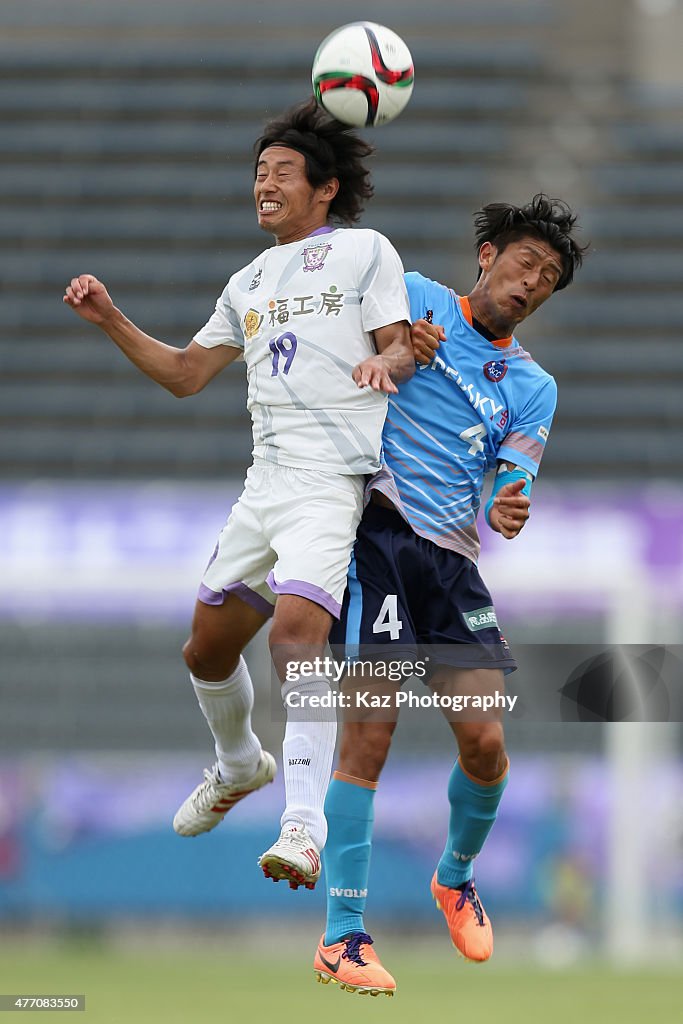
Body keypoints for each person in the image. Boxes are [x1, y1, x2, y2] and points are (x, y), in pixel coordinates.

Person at [63, 98, 413, 891]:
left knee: (295, 639)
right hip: (266, 485)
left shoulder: (363, 251)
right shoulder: (248, 281)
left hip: (332, 482)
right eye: (258, 173)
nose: (264, 184)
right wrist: (110, 317)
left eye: (282, 172)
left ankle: (302, 827)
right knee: (205, 649)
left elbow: (396, 343)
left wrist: (387, 364)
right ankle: (236, 763)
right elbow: (187, 375)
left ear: (323, 189)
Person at [313, 195, 588, 995]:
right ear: (485, 255)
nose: (532, 282)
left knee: (487, 743)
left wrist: (511, 502)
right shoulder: (413, 296)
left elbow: (512, 482)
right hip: (380, 537)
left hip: (453, 565)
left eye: (547, 279)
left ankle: (454, 876)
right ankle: (342, 935)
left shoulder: (533, 386)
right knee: (369, 733)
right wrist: (401, 350)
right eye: (525, 263)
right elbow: (347, 365)